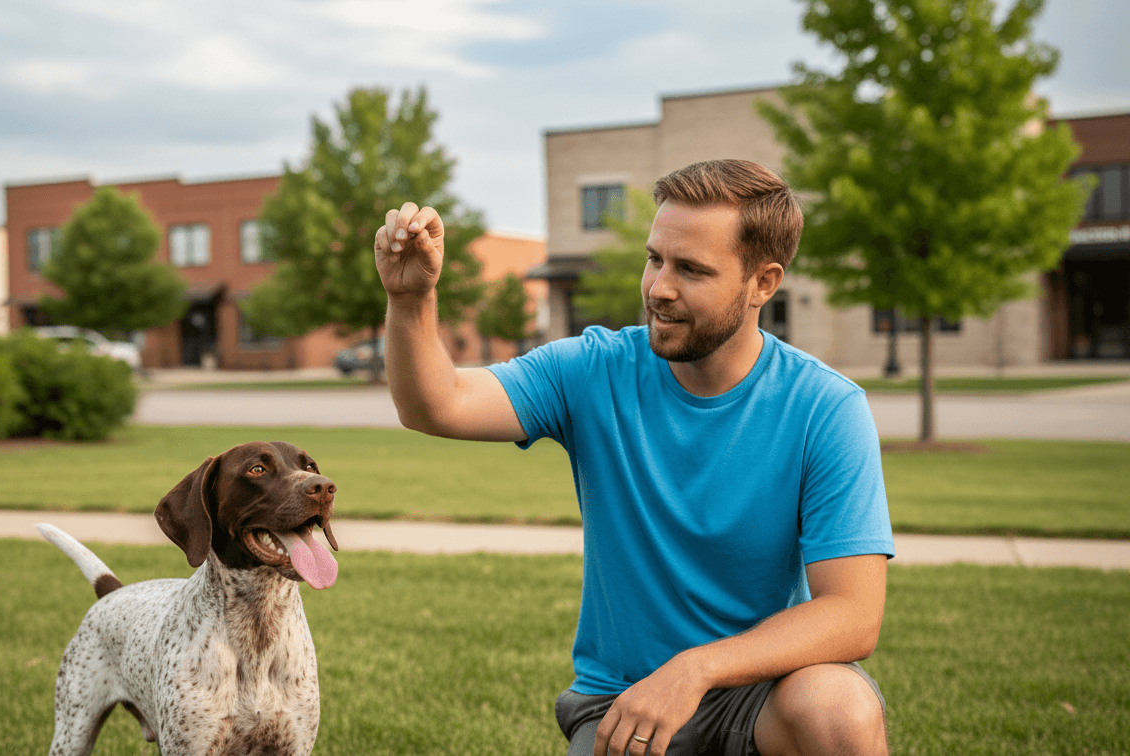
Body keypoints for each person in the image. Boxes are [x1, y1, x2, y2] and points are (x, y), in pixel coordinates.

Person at [373, 159, 894, 756]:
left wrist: (695, 669)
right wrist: (411, 299)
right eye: (655, 259)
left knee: (839, 708)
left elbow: (853, 615)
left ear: (763, 282)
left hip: (759, 695)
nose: (659, 288)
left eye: (692, 270)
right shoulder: (594, 369)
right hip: (624, 700)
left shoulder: (825, 408)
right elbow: (437, 405)